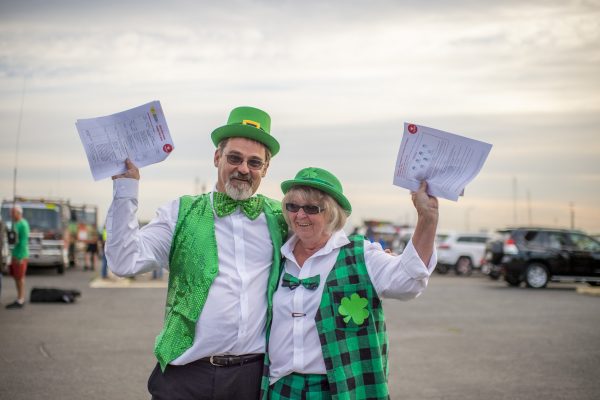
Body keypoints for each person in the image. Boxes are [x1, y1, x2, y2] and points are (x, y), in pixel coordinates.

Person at [105, 106, 287, 400]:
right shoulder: (180, 212)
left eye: (254, 162)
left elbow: (327, 244)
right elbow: (124, 261)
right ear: (217, 157)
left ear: (265, 169)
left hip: (253, 379)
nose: (243, 169)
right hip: (186, 378)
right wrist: (127, 188)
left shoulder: (281, 218)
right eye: (234, 158)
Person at [262, 167, 438, 399]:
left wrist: (427, 219)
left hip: (341, 389)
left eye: (312, 208)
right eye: (292, 206)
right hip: (281, 387)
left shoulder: (361, 254)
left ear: (332, 213)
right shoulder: (278, 255)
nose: (300, 215)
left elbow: (407, 282)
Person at [6, 205, 30, 310]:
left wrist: (19, 257)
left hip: (21, 255)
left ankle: (21, 299)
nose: (11, 214)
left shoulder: (23, 225)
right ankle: (19, 297)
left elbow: (23, 242)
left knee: (20, 278)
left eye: (13, 212)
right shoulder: (16, 224)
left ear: (18, 213)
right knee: (16, 277)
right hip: (15, 254)